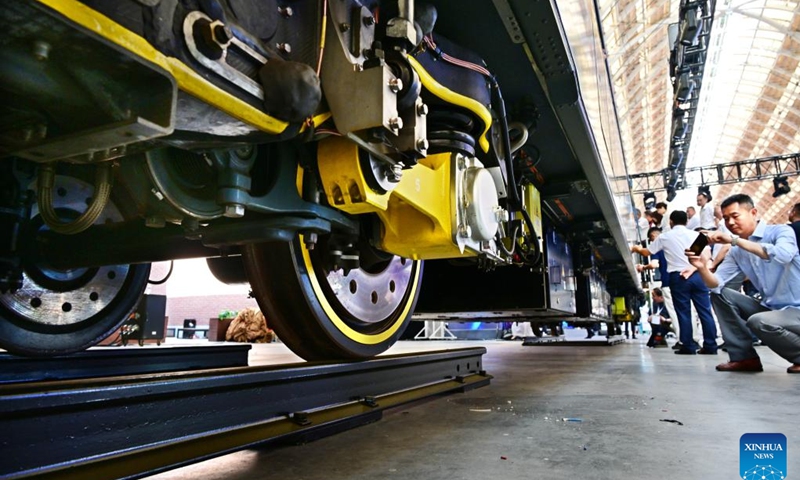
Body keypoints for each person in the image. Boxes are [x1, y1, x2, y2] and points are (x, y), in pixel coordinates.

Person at [686, 194, 800, 374]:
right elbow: (716, 284)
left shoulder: (780, 232)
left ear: (753, 213)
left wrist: (734, 240)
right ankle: (744, 357)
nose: (730, 222)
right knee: (720, 293)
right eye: (725, 218)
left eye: (735, 216)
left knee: (759, 321)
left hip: (796, 310)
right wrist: (702, 268)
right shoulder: (736, 251)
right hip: (772, 310)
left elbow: (783, 255)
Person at [631, 211, 717, 355]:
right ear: (687, 221)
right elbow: (706, 255)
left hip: (678, 278)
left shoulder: (665, 237)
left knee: (683, 312)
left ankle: (688, 346)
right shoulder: (697, 236)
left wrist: (636, 248)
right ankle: (710, 346)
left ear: (671, 222)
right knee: (705, 311)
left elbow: (647, 252)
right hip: (697, 274)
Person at [636, 227, 683, 349]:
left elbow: (654, 264)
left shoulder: (659, 246)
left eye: (652, 240)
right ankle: (692, 339)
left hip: (669, 281)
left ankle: (682, 340)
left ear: (653, 237)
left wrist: (643, 267)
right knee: (685, 312)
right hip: (684, 279)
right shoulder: (676, 244)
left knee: (674, 313)